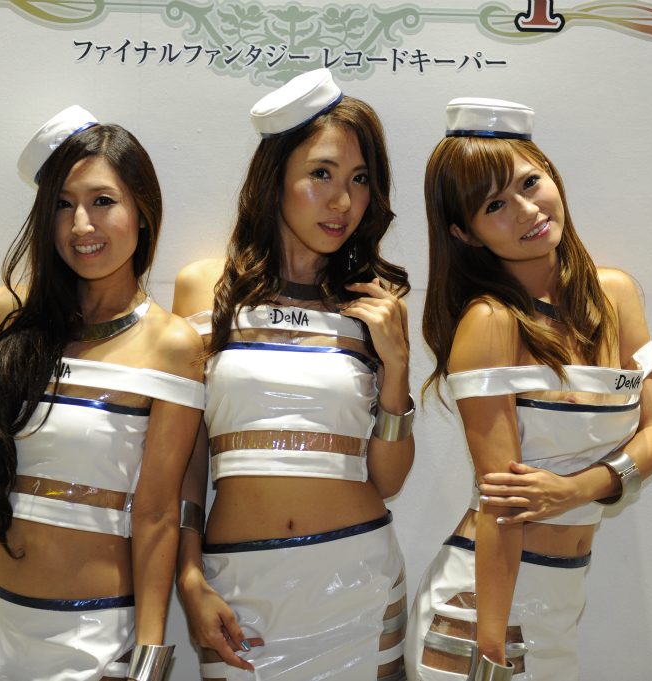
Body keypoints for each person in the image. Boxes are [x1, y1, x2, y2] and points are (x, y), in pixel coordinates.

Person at [0, 106, 204, 681]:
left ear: (142, 211)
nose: (81, 225)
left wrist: (150, 659)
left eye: (102, 201)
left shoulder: (171, 344)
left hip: (95, 639)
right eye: (62, 204)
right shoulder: (5, 316)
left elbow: (157, 512)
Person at [405, 99, 652, 681]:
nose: (527, 210)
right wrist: (490, 650)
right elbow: (504, 505)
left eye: (530, 183)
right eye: (494, 206)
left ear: (551, 173)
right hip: (482, 610)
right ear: (464, 233)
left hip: (561, 601)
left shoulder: (615, 295)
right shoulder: (490, 322)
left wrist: (574, 490)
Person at [172, 69, 413, 681]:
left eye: (360, 180)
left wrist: (397, 367)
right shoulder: (206, 289)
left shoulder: (374, 306)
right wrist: (189, 574)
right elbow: (185, 452)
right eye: (322, 174)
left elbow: (387, 479)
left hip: (357, 585)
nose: (343, 202)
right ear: (274, 177)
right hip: (236, 587)